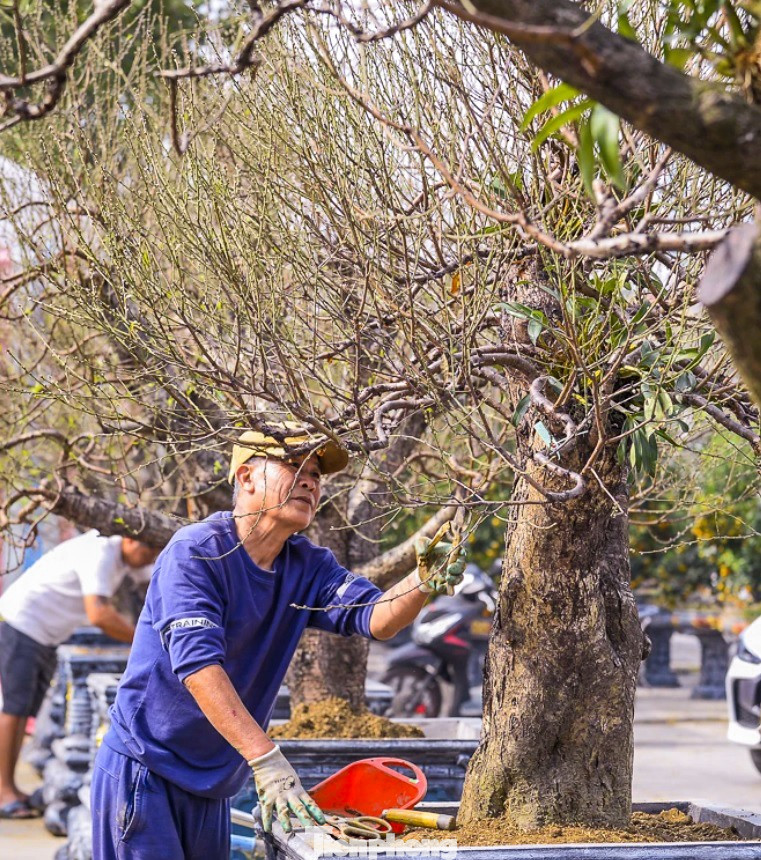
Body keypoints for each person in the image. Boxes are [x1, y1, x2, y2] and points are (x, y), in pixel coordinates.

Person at [91, 424, 466, 859]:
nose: (310, 480)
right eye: (295, 466)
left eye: (317, 474)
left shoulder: (307, 565)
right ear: (246, 477)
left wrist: (421, 581)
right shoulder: (196, 552)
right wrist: (266, 760)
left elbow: (376, 619)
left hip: (211, 782)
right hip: (147, 769)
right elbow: (198, 668)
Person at [0, 530, 158, 819]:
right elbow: (97, 613)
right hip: (22, 623)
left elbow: (151, 583)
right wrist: (142, 640)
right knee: (13, 709)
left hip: (46, 634)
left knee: (25, 710)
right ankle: (4, 792)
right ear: (132, 540)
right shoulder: (100, 551)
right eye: (148, 553)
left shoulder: (125, 559)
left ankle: (9, 788)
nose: (149, 560)